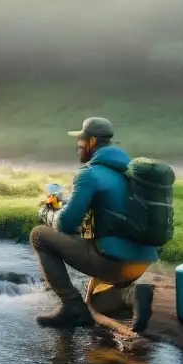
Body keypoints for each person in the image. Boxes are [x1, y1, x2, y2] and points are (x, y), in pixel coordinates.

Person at [30, 117, 158, 331]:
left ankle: (72, 307)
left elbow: (65, 224)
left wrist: (46, 212)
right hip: (140, 263)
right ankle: (131, 294)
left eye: (81, 140)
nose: (78, 146)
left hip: (113, 262)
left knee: (39, 236)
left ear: (92, 142)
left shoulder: (89, 174)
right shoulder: (132, 172)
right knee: (97, 303)